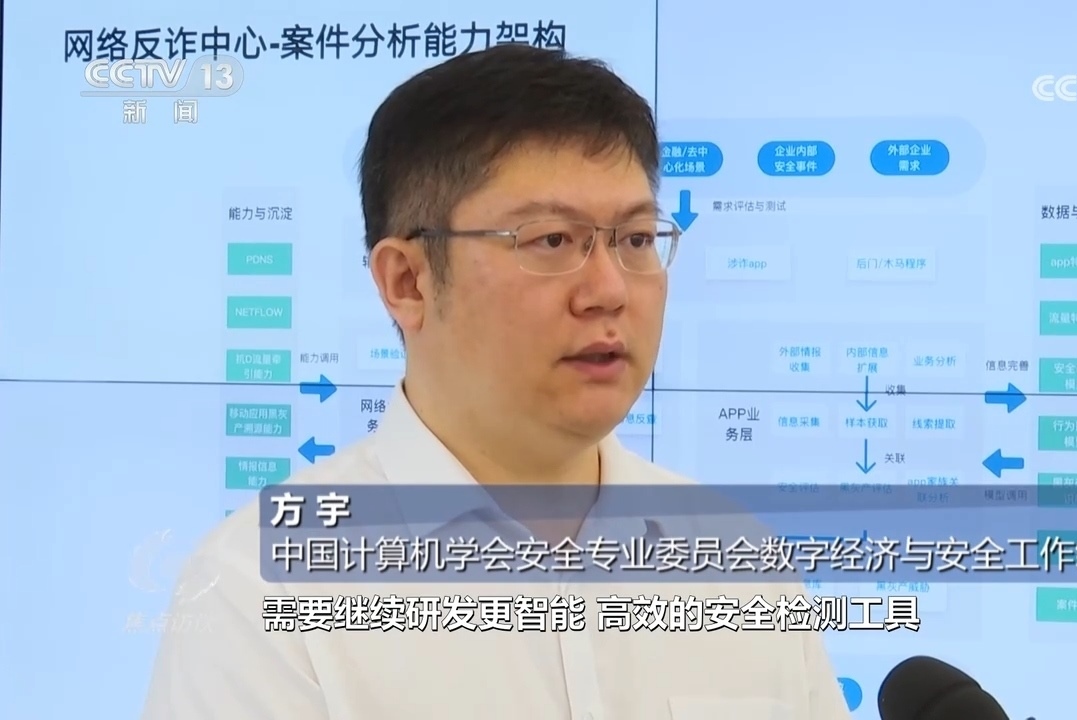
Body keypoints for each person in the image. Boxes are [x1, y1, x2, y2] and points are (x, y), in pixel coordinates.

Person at [143, 45, 848, 719]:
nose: (609, 290)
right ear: (407, 281)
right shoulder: (258, 590)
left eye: (636, 240)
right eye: (551, 241)